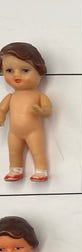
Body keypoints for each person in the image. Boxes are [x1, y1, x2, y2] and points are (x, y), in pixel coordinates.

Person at [0, 42, 52, 182]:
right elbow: (2, 108)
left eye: (25, 70)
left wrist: (41, 111)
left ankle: (41, 170)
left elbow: (48, 110)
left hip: (34, 132)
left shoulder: (38, 95)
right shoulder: (11, 96)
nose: (16, 75)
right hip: (13, 132)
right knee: (13, 151)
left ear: (39, 71)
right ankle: (15, 169)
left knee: (37, 151)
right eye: (9, 70)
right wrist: (1, 117)